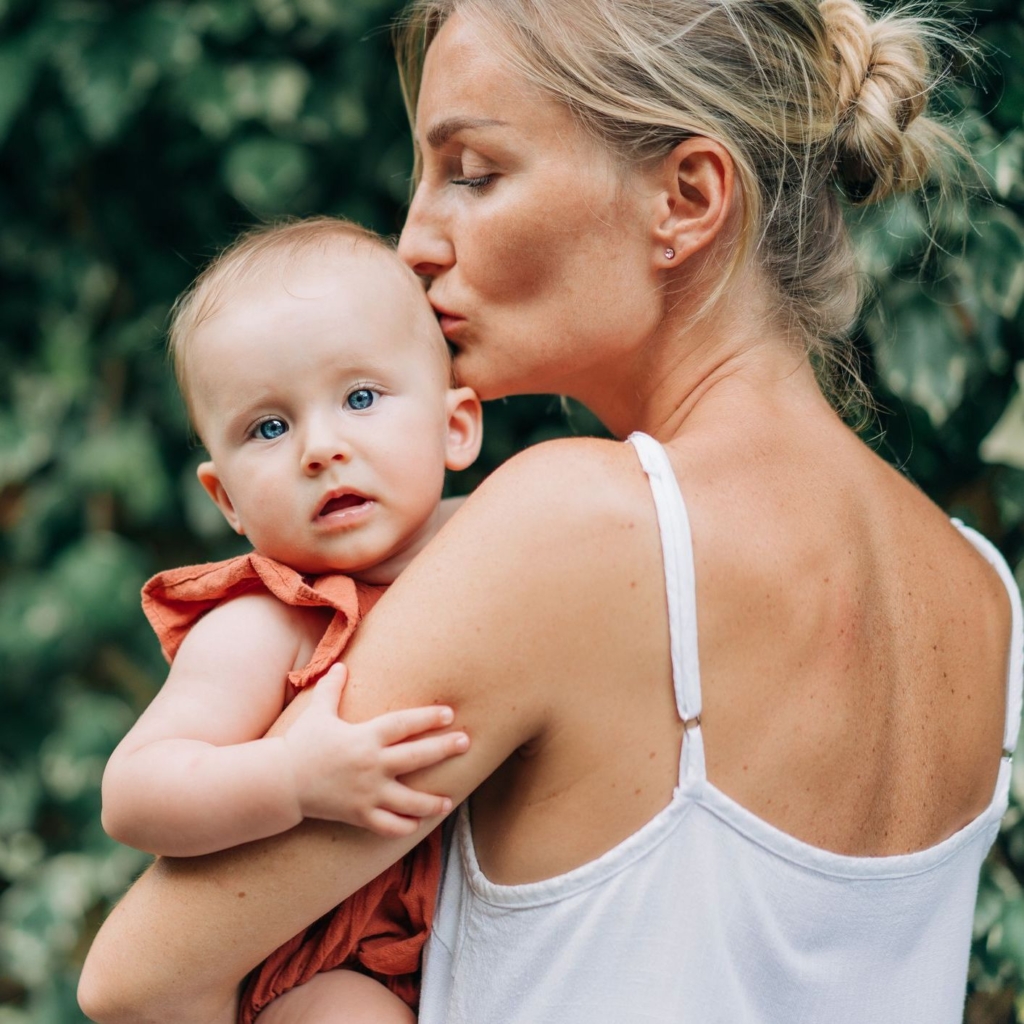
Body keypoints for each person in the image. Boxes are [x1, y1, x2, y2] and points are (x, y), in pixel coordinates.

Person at [79, 0, 1023, 1021]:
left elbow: (139, 982)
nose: (412, 244)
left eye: (471, 174)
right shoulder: (985, 592)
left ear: (687, 197)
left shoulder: (575, 524)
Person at [97, 216, 481, 1023]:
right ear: (226, 499)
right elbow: (133, 794)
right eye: (268, 427)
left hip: (485, 928)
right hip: (336, 965)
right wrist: (291, 782)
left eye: (361, 397)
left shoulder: (505, 535)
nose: (320, 447)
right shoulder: (269, 622)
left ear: (456, 425)